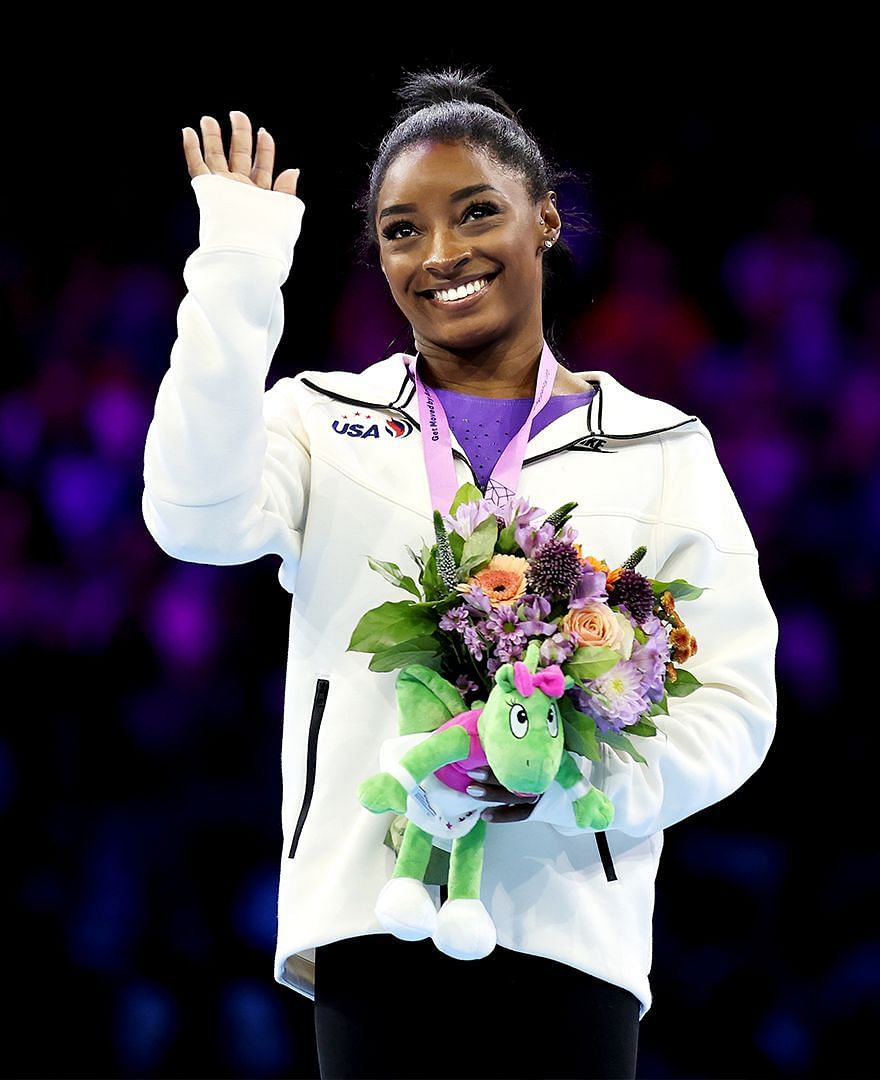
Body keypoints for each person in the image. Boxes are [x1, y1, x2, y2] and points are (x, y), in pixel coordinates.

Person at [142, 73, 778, 1077]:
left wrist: (592, 789)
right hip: (368, 921)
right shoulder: (323, 420)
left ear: (547, 220)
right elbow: (192, 516)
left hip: (572, 925)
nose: (441, 254)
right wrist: (235, 269)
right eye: (402, 230)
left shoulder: (660, 448)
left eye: (476, 211)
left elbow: (738, 699)